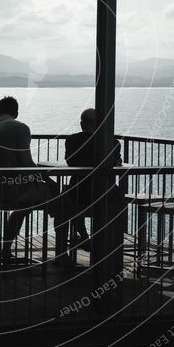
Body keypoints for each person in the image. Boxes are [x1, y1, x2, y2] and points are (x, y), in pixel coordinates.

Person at [0, 96, 60, 265]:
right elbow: (26, 162)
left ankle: (6, 250)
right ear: (16, 111)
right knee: (61, 195)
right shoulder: (21, 128)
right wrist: (46, 178)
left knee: (21, 211)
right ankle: (63, 253)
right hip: (21, 191)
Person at [64, 108, 123, 255]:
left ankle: (83, 238)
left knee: (67, 201)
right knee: (118, 203)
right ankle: (110, 247)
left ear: (81, 124)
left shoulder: (72, 141)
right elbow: (116, 162)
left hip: (79, 193)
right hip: (106, 194)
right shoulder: (113, 142)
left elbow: (70, 162)